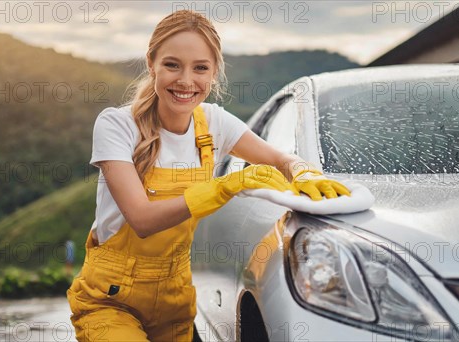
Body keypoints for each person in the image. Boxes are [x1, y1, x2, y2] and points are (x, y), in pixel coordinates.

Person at [66, 10, 350, 341]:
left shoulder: (213, 123)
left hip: (175, 301)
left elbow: (280, 159)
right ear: (151, 63)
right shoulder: (116, 125)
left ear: (213, 73)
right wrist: (226, 186)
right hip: (111, 300)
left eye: (200, 68)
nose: (186, 80)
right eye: (172, 65)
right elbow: (142, 219)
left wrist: (302, 173)